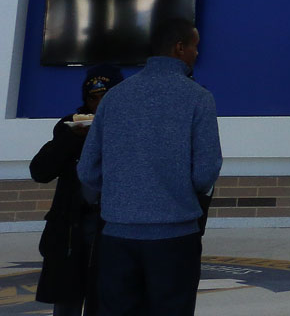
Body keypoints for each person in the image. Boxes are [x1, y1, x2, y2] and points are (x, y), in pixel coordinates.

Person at [77, 17, 221, 316]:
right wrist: (174, 192)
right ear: (180, 48)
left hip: (116, 237)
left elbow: (88, 169)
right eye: (195, 46)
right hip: (175, 238)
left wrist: (123, 193)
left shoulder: (114, 97)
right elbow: (206, 171)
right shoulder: (199, 98)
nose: (197, 53)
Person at [32, 64, 121, 316]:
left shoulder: (129, 127)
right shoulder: (69, 126)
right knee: (66, 303)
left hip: (112, 226)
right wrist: (73, 138)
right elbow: (40, 171)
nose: (98, 104)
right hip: (70, 228)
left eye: (106, 97)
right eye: (93, 98)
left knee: (105, 300)